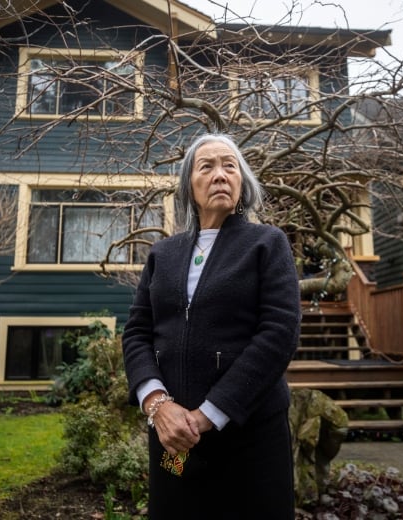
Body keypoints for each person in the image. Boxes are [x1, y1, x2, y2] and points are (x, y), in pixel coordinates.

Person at [122, 133, 302, 519]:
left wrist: (208, 414)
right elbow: (137, 331)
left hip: (249, 436)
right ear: (190, 184)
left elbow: (279, 332)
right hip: (173, 441)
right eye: (207, 166)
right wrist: (158, 406)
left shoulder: (267, 244)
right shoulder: (162, 253)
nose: (220, 174)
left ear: (242, 182)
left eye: (230, 166)